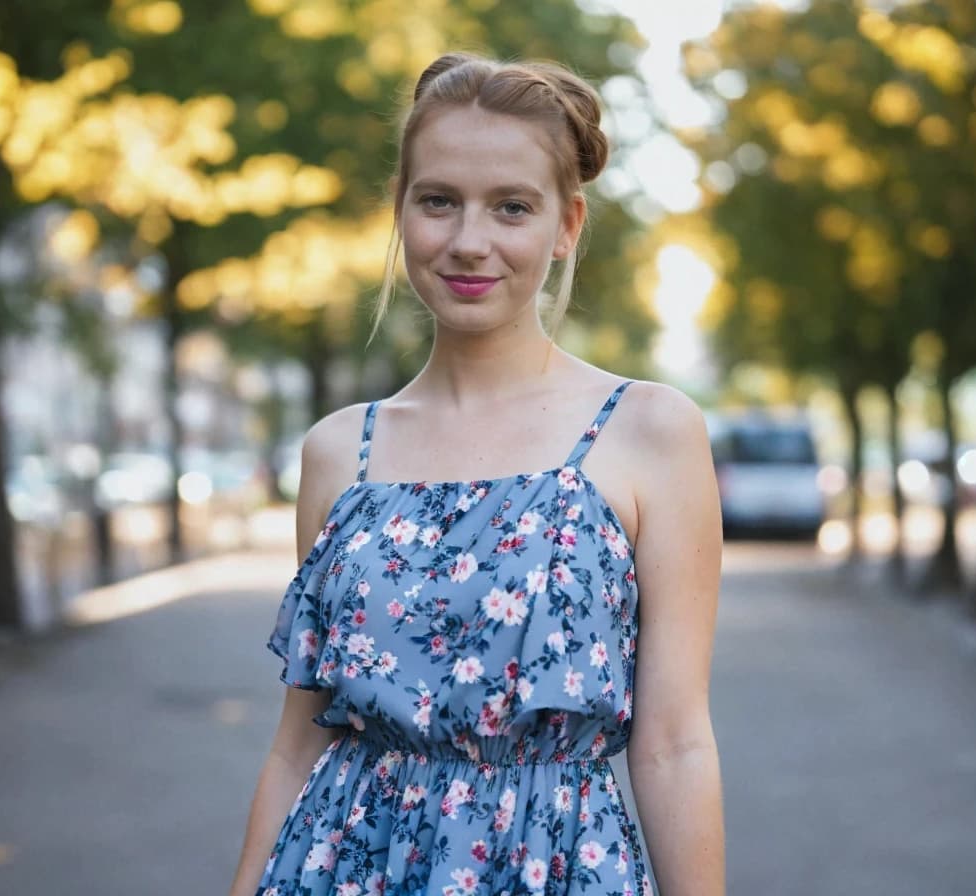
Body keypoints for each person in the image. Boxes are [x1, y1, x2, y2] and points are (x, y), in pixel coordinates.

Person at [229, 52, 724, 896]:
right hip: (341, 869)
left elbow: (675, 743)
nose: (468, 242)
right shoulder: (338, 454)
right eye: (438, 201)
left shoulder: (649, 432)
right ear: (401, 210)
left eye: (511, 208)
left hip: (556, 869)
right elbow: (298, 740)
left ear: (565, 225)